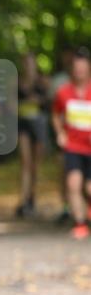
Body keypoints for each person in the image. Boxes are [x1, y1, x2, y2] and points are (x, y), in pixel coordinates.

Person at [52, 46, 91, 240]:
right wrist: (60, 133)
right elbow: (56, 114)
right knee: (73, 184)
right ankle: (80, 223)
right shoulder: (63, 92)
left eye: (83, 69)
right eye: (77, 69)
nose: (80, 72)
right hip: (73, 147)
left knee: (89, 188)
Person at [16, 52, 50, 218]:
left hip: (39, 125)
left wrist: (39, 100)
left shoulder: (43, 81)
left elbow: (50, 102)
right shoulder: (18, 81)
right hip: (23, 125)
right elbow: (9, 104)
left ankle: (32, 199)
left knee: (35, 165)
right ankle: (24, 200)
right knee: (26, 163)